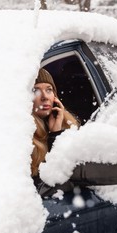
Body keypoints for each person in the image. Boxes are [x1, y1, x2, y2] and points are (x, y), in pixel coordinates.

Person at [31, 68, 80, 196]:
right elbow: (48, 188)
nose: (45, 97)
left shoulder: (70, 127)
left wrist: (56, 132)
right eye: (35, 90)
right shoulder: (24, 140)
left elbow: (71, 177)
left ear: (55, 97)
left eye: (49, 90)